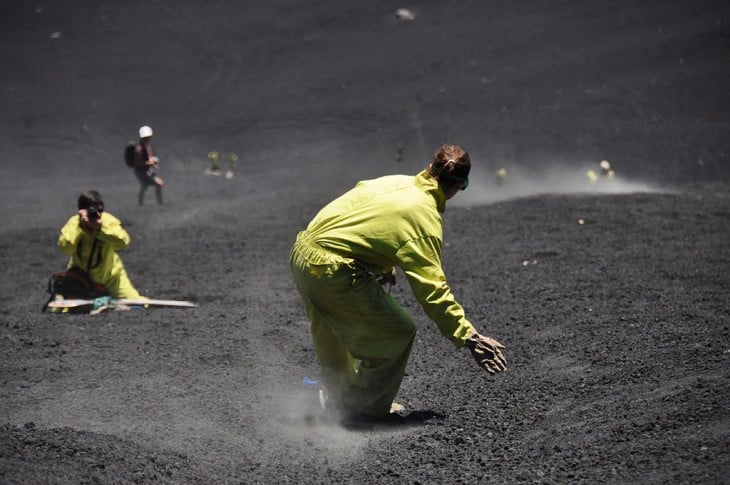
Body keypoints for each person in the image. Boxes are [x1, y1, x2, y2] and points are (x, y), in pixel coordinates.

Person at [290, 144, 507, 420]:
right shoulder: (424, 218)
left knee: (332, 328)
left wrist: (379, 260)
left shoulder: (395, 182)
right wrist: (468, 335)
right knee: (397, 332)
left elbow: (362, 218)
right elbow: (433, 291)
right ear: (458, 185)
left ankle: (338, 397)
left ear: (430, 168)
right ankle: (360, 410)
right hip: (330, 268)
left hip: (302, 252)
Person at [58, 190, 142, 298]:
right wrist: (81, 227)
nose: (95, 214)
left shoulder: (107, 221)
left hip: (111, 277)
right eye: (91, 210)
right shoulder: (75, 223)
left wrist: (100, 229)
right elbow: (65, 248)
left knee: (135, 302)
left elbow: (123, 242)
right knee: (62, 308)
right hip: (81, 279)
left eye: (99, 209)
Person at [133, 125, 164, 205]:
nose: (148, 139)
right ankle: (159, 203)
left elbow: (149, 157)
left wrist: (153, 163)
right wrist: (151, 163)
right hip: (141, 172)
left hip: (147, 171)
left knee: (145, 186)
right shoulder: (139, 149)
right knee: (158, 184)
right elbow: (138, 163)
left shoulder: (147, 146)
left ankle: (141, 203)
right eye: (146, 137)